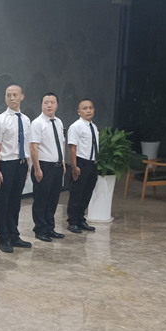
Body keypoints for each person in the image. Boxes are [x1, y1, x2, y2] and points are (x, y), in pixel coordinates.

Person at [0, 84, 32, 253]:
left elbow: (27, 143)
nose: (12, 98)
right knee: (4, 202)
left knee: (15, 202)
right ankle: (4, 237)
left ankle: (14, 234)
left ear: (22, 97)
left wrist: (28, 164)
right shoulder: (0, 120)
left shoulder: (26, 119)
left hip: (21, 164)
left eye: (15, 95)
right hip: (6, 164)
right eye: (8, 95)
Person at [30, 92, 66, 242]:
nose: (49, 105)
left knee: (53, 199)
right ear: (41, 105)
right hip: (44, 166)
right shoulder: (37, 123)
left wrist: (63, 162)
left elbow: (61, 143)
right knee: (41, 200)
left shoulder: (59, 122)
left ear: (57, 105)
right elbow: (33, 147)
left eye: (52, 102)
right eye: (46, 103)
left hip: (57, 166)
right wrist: (37, 168)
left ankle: (50, 228)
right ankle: (40, 229)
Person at [66, 99, 99, 234]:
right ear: (79, 112)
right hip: (81, 162)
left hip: (92, 163)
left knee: (87, 193)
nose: (88, 110)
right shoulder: (76, 126)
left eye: (90, 108)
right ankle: (72, 221)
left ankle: (81, 219)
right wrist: (74, 166)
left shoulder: (94, 127)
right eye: (85, 108)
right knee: (77, 193)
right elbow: (72, 148)